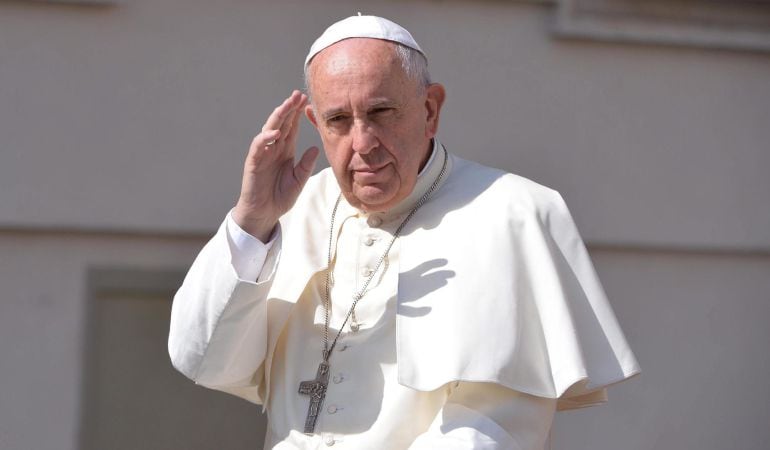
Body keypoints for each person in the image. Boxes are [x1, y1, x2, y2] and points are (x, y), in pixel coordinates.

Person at [168, 14, 640, 450]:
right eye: (338, 121)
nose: (363, 144)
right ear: (316, 123)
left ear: (430, 109)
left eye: (381, 113)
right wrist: (253, 220)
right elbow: (204, 360)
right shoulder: (290, 211)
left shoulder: (512, 212)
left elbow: (492, 427)